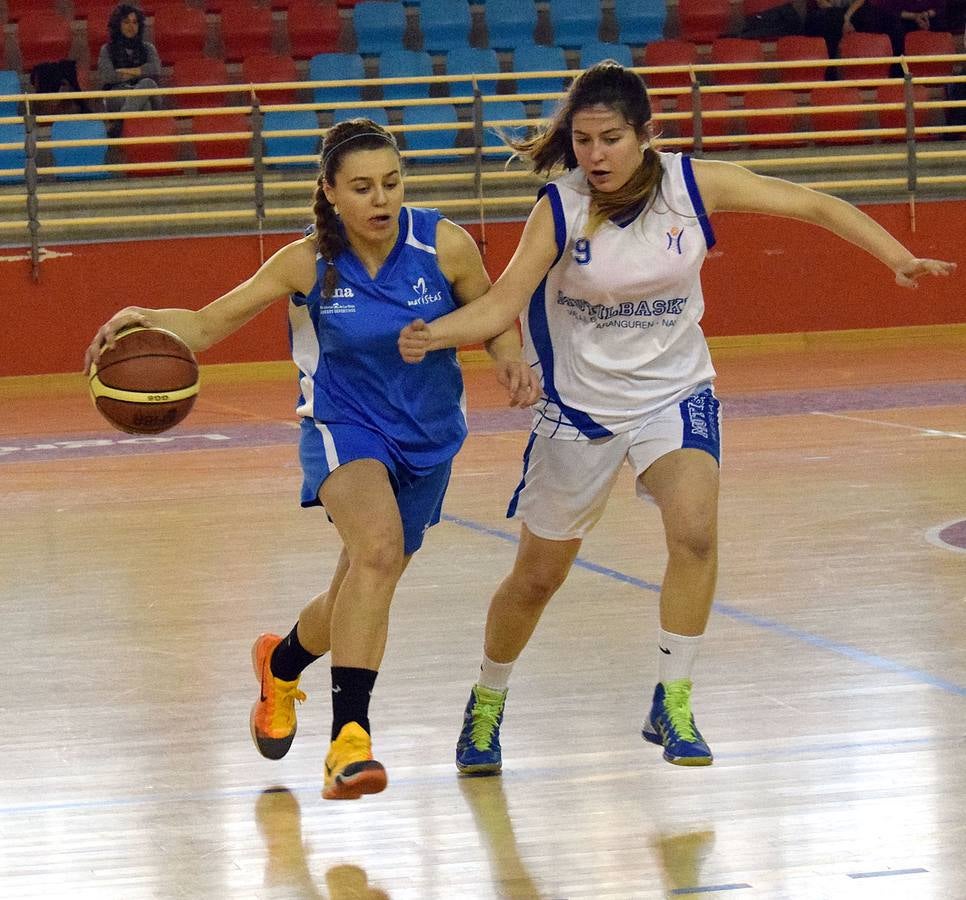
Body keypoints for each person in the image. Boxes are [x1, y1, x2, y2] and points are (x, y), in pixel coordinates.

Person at [397, 61, 956, 771]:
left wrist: (896, 256)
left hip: (675, 390)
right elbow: (505, 300)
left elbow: (810, 202)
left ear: (645, 135)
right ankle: (486, 702)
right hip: (581, 406)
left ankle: (674, 697)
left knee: (694, 532)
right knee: (538, 577)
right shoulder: (560, 206)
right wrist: (436, 334)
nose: (595, 156)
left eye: (610, 139)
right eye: (584, 140)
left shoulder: (691, 185)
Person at [83, 118, 539, 799]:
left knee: (359, 585)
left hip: (429, 436)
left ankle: (281, 661)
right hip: (343, 427)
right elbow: (209, 324)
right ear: (329, 193)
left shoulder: (444, 244)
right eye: (361, 187)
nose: (380, 199)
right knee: (378, 552)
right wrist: (144, 316)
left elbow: (493, 313)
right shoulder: (307, 262)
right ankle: (348, 743)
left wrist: (511, 363)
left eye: (391, 182)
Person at [97, 3, 162, 129]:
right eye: (126, 22)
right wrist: (140, 72)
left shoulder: (148, 48)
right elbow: (108, 76)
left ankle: (120, 124)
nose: (131, 26)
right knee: (145, 104)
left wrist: (128, 71)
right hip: (118, 94)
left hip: (148, 90)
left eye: (135, 22)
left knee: (147, 83)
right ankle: (143, 144)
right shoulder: (107, 49)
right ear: (118, 25)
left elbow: (155, 70)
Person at [844, 0, 948, 55]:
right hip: (900, 20)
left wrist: (926, 15)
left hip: (929, 18)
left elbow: (940, 6)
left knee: (941, 23)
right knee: (895, 28)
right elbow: (891, 9)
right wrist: (915, 16)